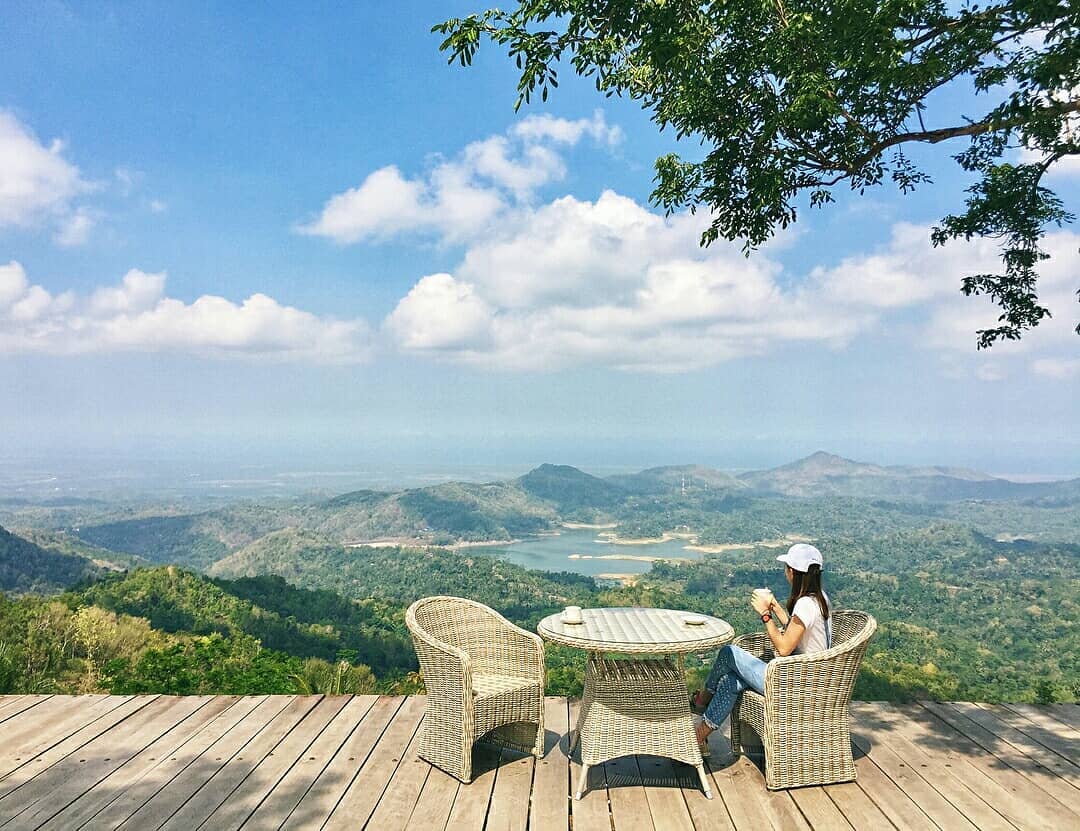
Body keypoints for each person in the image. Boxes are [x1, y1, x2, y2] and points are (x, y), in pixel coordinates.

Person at [691, 543, 831, 752]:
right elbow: (795, 630)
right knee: (731, 681)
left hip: (793, 686)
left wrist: (765, 615)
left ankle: (702, 700)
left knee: (728, 653)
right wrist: (775, 607)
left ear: (792, 572)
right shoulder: (819, 599)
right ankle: (699, 738)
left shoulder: (805, 605)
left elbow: (784, 648)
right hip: (809, 681)